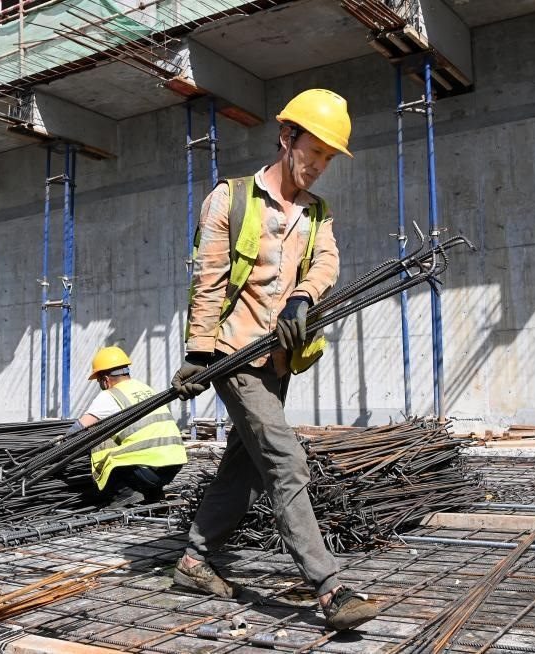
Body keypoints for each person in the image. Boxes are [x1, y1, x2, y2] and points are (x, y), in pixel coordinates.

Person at [169, 89, 378, 631]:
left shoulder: (316, 213)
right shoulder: (231, 199)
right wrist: (198, 353)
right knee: (285, 461)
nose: (319, 165)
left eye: (329, 157)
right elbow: (208, 281)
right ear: (287, 138)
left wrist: (303, 296)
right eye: (314, 151)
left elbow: (327, 262)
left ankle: (194, 560)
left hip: (278, 361)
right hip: (234, 356)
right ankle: (329, 588)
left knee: (242, 468)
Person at [66, 346, 187, 507]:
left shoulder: (109, 396)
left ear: (105, 379)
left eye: (99, 382)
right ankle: (152, 492)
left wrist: (60, 445)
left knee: (99, 442)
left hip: (147, 469)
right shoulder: (146, 389)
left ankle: (124, 492)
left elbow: (78, 430)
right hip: (174, 463)